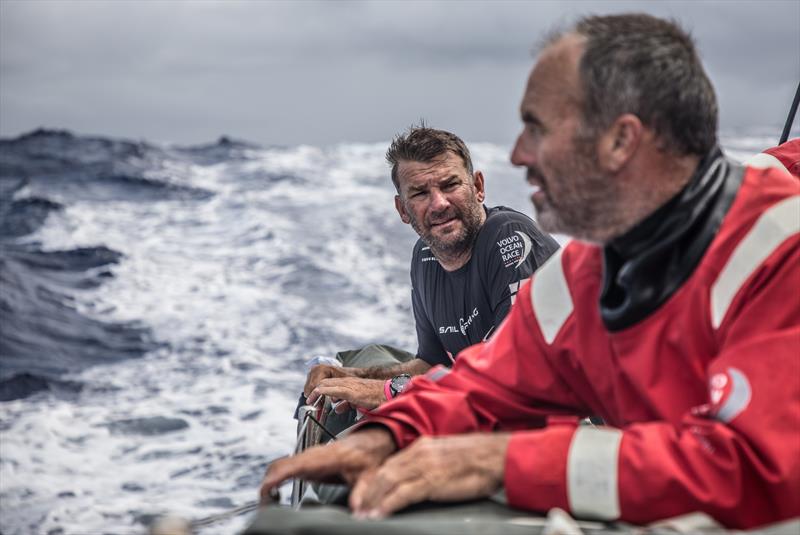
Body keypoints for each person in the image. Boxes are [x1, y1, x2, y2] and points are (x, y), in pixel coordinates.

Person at [261, 13, 800, 529]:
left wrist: (496, 462)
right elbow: (486, 384)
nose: (518, 156)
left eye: (537, 130)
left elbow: (754, 471)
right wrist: (384, 436)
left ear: (620, 141)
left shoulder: (781, 251)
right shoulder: (586, 274)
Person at [302, 126, 558, 413]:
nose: (439, 203)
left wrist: (390, 392)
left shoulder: (511, 238)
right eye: (421, 193)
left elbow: (519, 374)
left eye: (450, 185)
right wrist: (350, 380)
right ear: (402, 210)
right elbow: (430, 366)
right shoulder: (425, 258)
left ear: (478, 188)